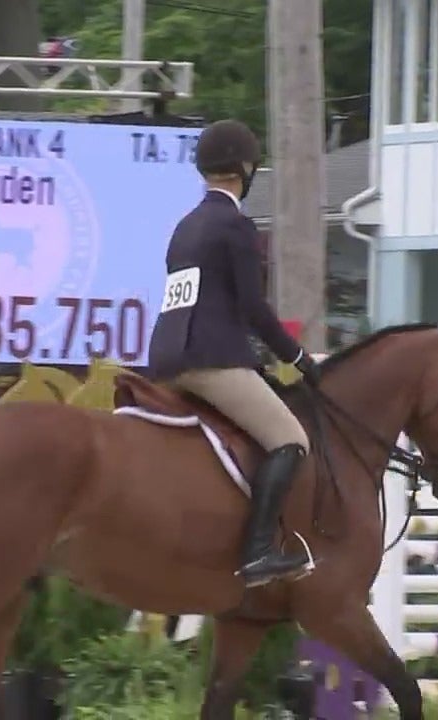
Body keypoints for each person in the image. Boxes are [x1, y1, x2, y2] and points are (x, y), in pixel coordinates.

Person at [147, 118, 319, 588]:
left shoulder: (184, 226)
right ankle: (259, 551)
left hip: (164, 359)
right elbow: (252, 308)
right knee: (290, 439)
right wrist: (299, 359)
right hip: (209, 360)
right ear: (246, 169)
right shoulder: (236, 226)